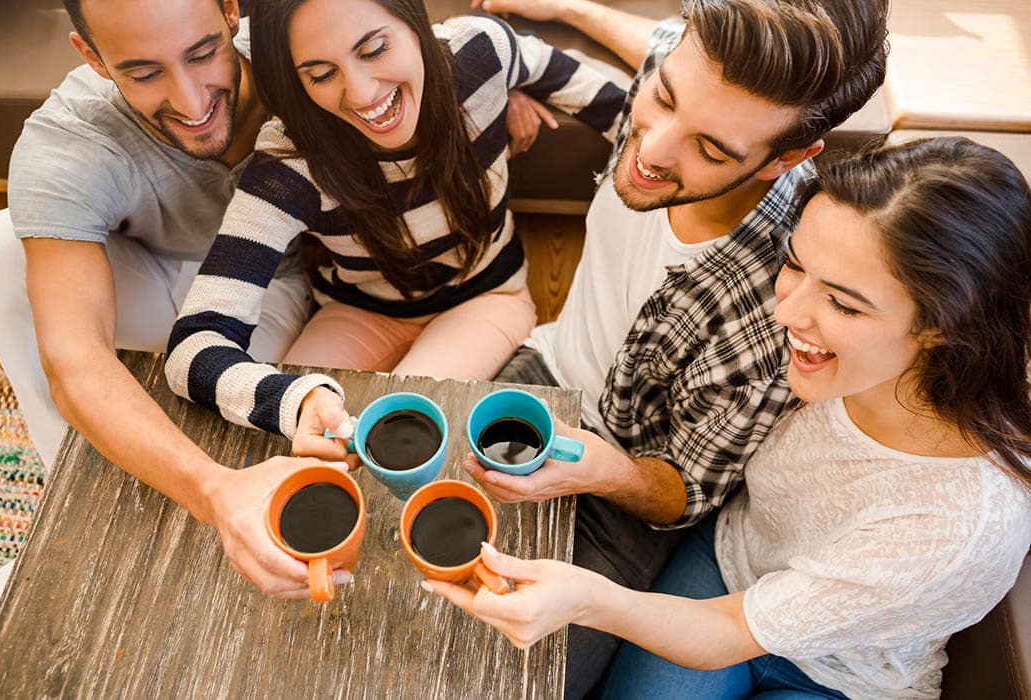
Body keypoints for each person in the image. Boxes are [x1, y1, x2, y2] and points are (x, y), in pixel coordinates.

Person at [428, 136, 1031, 699]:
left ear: (942, 328)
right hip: (730, 561)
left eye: (842, 303)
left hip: (837, 674)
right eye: (795, 265)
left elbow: (728, 630)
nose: (787, 311)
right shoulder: (844, 355)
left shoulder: (957, 524)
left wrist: (587, 598)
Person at [458, 0, 889, 693]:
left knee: (504, 678)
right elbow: (655, 41)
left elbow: (682, 493)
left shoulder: (778, 309)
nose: (652, 149)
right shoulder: (688, 70)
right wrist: (564, 7)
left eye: (710, 149)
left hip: (626, 486)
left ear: (788, 160)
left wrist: (599, 471)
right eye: (662, 97)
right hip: (544, 370)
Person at [0, 0, 352, 617]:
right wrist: (211, 489)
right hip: (155, 268)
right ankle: (79, 526)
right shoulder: (68, 140)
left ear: (233, 11)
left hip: (275, 283)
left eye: (203, 53)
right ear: (92, 57)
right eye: (145, 72)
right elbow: (74, 361)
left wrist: (501, 95)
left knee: (240, 414)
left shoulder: (302, 48)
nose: (190, 98)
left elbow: (403, 51)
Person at [162, 0, 627, 455]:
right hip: (358, 311)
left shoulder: (480, 51)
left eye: (374, 49)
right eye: (321, 74)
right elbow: (193, 348)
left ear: (412, 20)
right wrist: (294, 399)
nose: (363, 93)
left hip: (487, 297)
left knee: (394, 440)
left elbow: (622, 111)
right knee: (295, 451)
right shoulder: (288, 160)